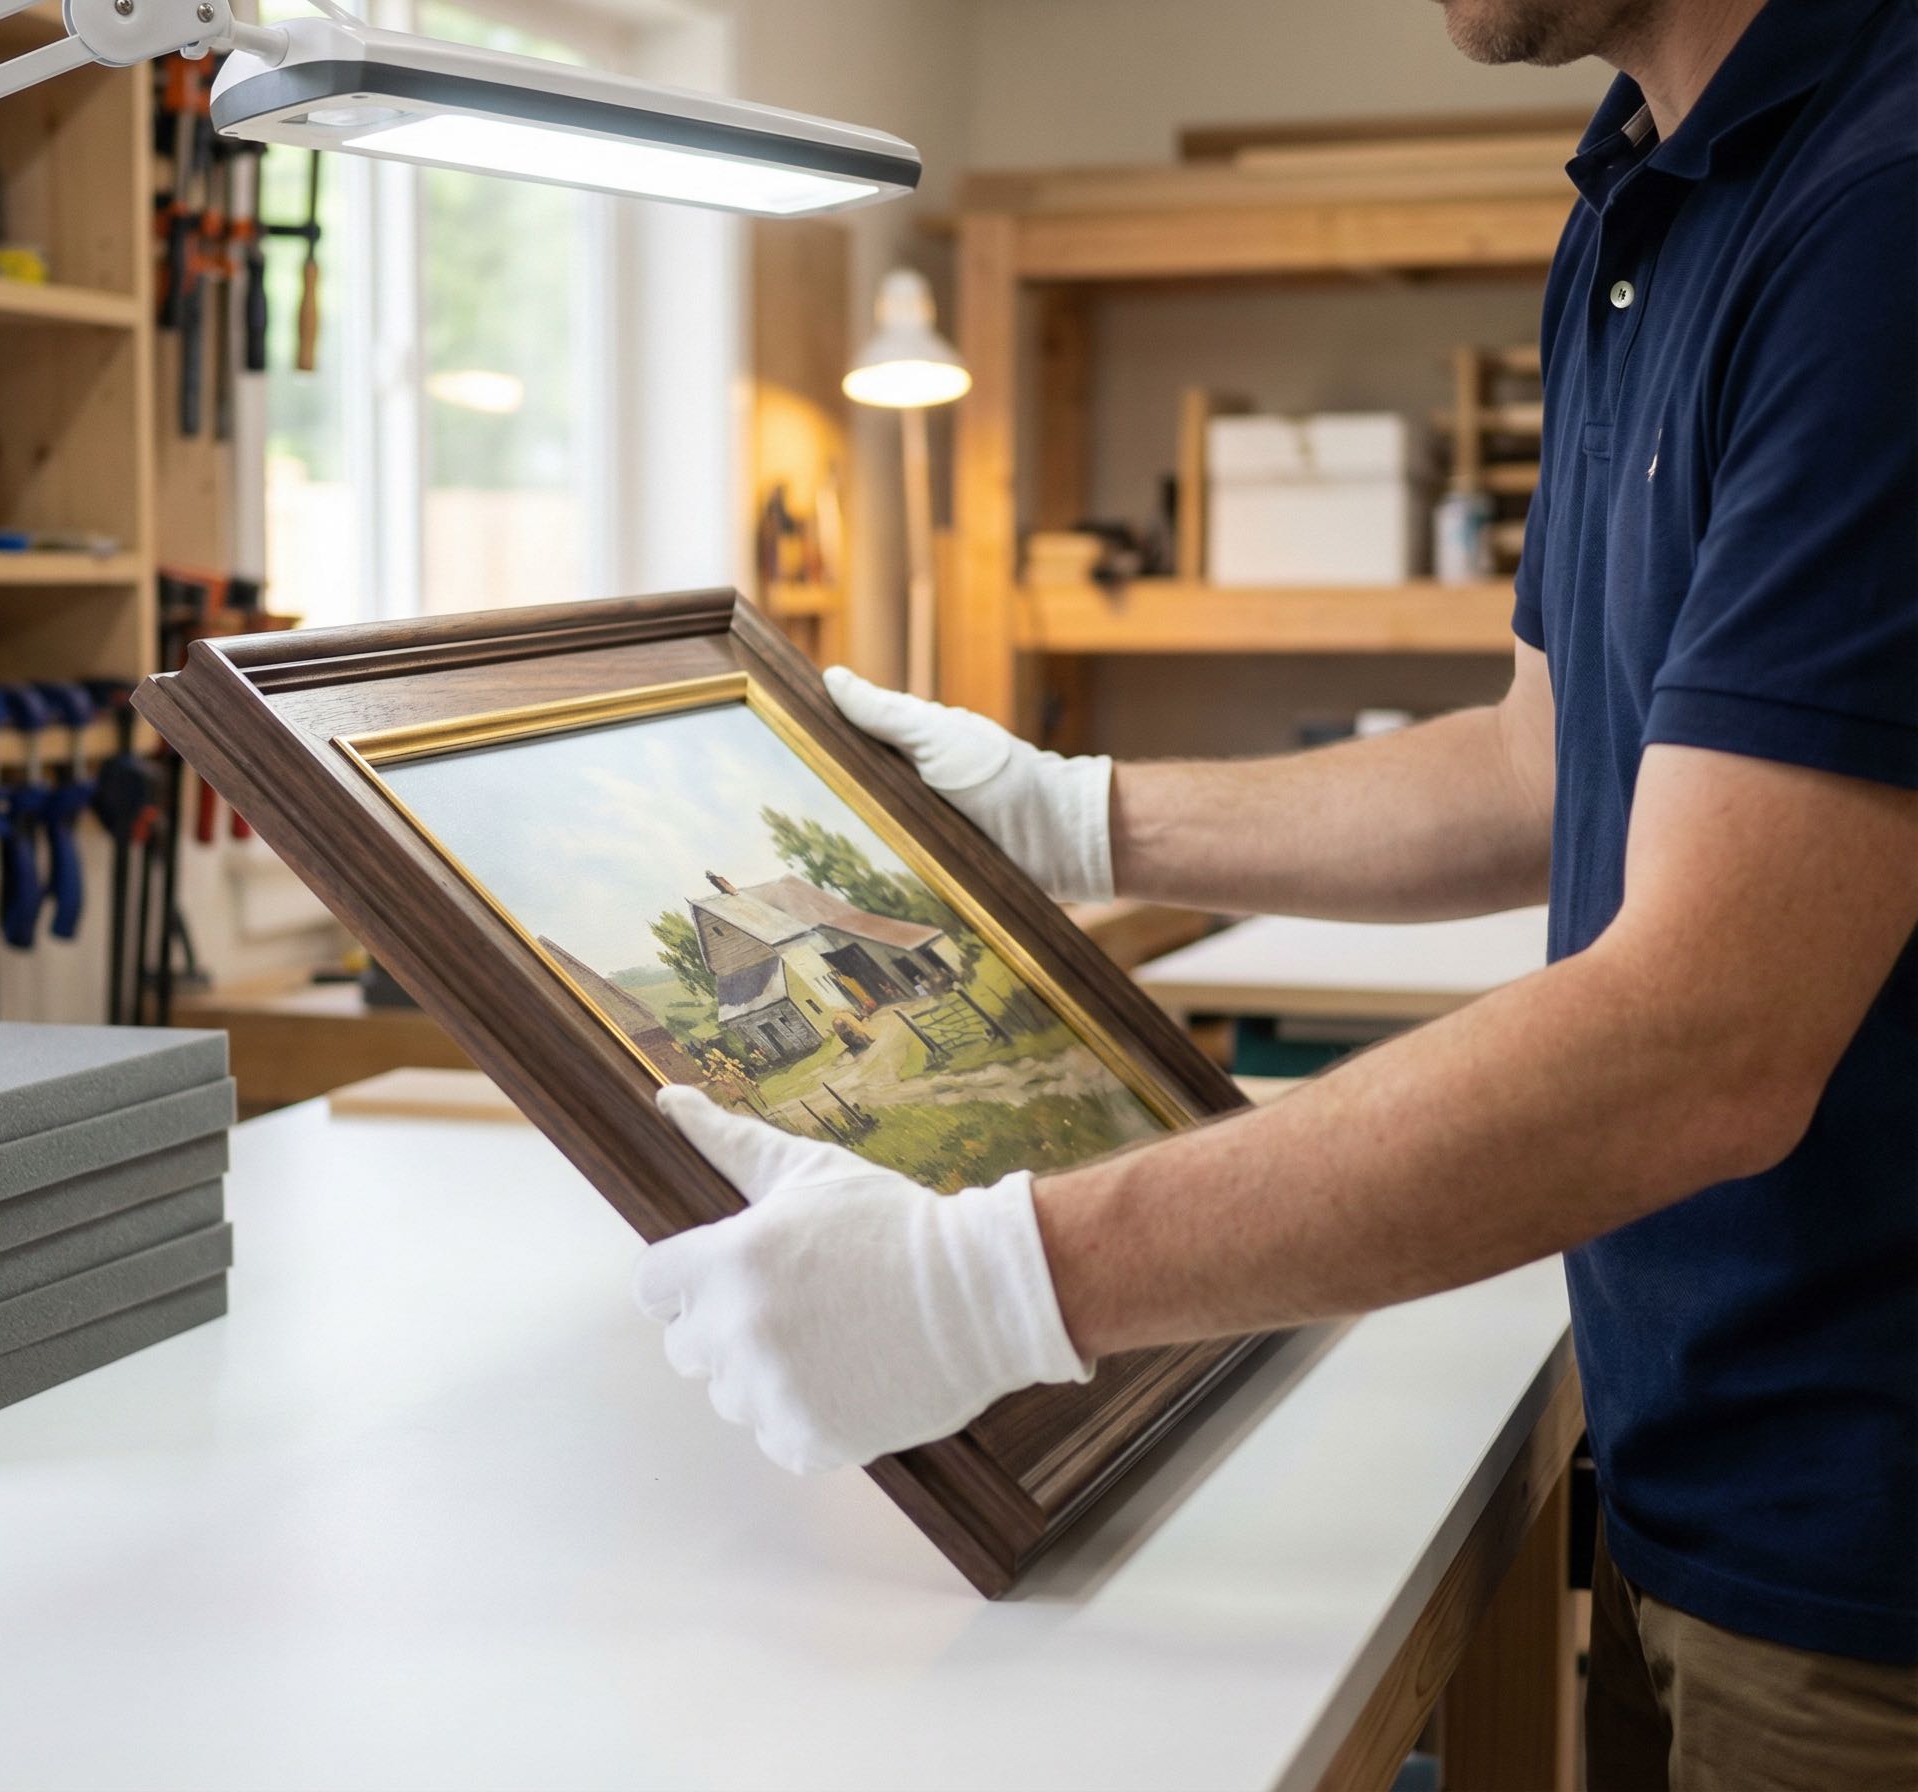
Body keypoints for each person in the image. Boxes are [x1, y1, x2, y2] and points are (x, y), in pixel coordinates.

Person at [632, 0, 1916, 1781]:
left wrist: (989, 1285)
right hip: (1694, 1476)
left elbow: (1711, 1034)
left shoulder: (1879, 215)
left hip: (1870, 1562)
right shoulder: (1642, 199)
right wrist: (1073, 816)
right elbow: (1544, 765)